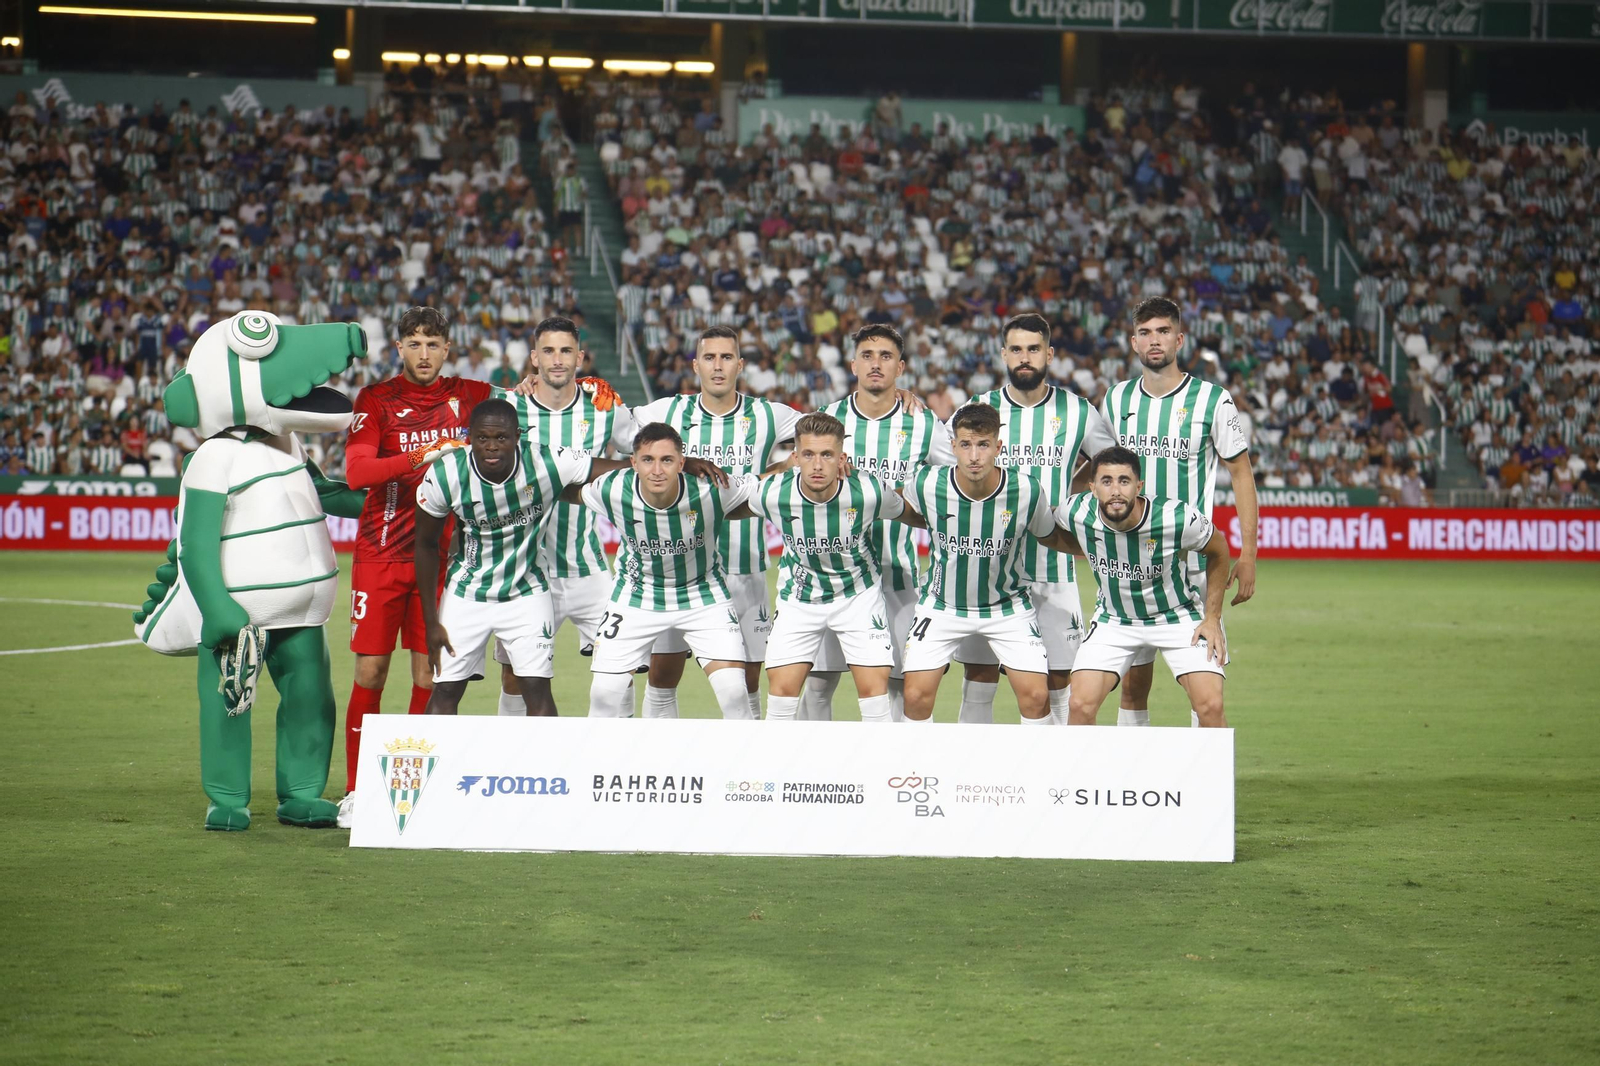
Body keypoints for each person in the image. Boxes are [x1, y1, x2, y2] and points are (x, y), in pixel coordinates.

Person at [337, 306, 495, 826]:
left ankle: (411, 782)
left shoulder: (472, 396)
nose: (424, 353)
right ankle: (358, 790)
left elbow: (537, 393)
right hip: (381, 555)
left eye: (433, 343)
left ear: (448, 348)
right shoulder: (376, 400)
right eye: (414, 343)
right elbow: (358, 472)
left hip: (445, 561)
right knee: (371, 670)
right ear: (399, 348)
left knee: (430, 671)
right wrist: (423, 454)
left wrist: (588, 386)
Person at [629, 325, 802, 720]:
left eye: (727, 358)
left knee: (746, 684)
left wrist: (780, 467)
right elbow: (615, 426)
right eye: (709, 357)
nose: (718, 366)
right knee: (662, 677)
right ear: (695, 365)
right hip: (679, 572)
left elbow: (829, 428)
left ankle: (747, 774)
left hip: (745, 567)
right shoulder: (666, 412)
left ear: (740, 365)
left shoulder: (767, 414)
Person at [1100, 296, 1258, 728]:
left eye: (1164, 331)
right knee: (1133, 687)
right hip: (1128, 567)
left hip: (1191, 568)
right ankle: (1133, 780)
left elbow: (1242, 475)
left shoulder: (1212, 400)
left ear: (1179, 339)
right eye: (1146, 332)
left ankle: (1200, 789)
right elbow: (1094, 472)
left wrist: (1247, 555)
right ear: (1134, 343)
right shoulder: (1116, 400)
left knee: (1203, 692)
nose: (1155, 340)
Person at [955, 313, 1116, 727]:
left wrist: (1066, 499)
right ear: (1004, 354)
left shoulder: (1078, 411)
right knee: (980, 676)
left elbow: (1109, 465)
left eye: (1033, 349)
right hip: (986, 569)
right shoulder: (978, 410)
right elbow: (944, 464)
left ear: (1049, 354)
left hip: (1052, 566)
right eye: (1016, 349)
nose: (1025, 358)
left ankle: (1056, 780)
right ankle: (974, 778)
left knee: (1059, 679)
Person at [414, 400, 622, 714]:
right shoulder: (445, 474)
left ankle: (544, 766)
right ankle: (439, 763)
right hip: (467, 594)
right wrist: (431, 622)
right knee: (446, 691)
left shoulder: (545, 461)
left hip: (527, 593)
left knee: (537, 690)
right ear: (470, 438)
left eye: (502, 438)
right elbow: (426, 545)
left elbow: (617, 469)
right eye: (483, 438)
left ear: (518, 436)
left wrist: (679, 463)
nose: (492, 447)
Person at [806, 323, 954, 721]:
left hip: (899, 575)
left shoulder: (923, 424)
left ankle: (896, 776)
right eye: (867, 356)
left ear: (900, 368)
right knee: (818, 685)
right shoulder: (827, 420)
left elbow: (959, 479)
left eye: (886, 356)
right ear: (853, 365)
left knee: (903, 687)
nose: (876, 364)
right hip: (831, 578)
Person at [489, 316, 633, 718]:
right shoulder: (508, 408)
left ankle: (609, 761)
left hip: (589, 569)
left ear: (580, 358)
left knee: (619, 671)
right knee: (516, 676)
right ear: (534, 358)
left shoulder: (604, 408)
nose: (557, 359)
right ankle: (514, 768)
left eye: (566, 351)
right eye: (548, 351)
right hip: (526, 571)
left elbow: (645, 450)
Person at [576, 423, 758, 720]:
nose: (657, 470)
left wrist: (790, 464)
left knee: (735, 692)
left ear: (682, 463)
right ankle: (605, 764)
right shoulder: (611, 488)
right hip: (636, 596)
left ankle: (742, 766)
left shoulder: (713, 488)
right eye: (648, 460)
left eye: (667, 460)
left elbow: (764, 489)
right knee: (603, 694)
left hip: (703, 594)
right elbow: (569, 491)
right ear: (633, 463)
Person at [1040, 447, 1232, 727]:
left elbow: (1220, 550)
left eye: (1124, 481)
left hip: (1176, 617)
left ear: (1139, 486)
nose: (1115, 490)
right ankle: (1088, 772)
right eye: (1106, 481)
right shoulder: (1077, 510)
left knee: (1211, 705)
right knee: (1079, 705)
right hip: (1114, 620)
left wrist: (1212, 618)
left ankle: (1213, 772)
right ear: (1092, 487)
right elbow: (1049, 532)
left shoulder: (1176, 518)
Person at [747, 413, 920, 723]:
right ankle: (778, 772)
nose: (817, 465)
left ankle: (880, 772)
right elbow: (730, 505)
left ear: (842, 457)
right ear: (795, 457)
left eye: (827, 455)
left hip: (858, 596)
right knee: (781, 695)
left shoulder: (869, 490)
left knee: (874, 696)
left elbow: (909, 513)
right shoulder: (771, 492)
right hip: (799, 598)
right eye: (809, 455)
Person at [897, 404, 1056, 724]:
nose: (974, 456)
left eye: (983, 445)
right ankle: (916, 772)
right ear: (953, 446)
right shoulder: (927, 482)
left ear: (998, 447)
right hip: (941, 606)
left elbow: (1048, 534)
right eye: (966, 444)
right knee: (914, 696)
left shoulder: (1026, 489)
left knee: (1038, 697)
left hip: (1007, 607)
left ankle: (1040, 772)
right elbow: (904, 508)